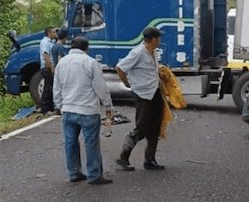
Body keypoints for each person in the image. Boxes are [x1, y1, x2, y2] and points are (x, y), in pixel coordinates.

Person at [53, 36, 114, 185]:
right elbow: (100, 87)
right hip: (87, 109)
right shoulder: (90, 62)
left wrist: (59, 105)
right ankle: (94, 175)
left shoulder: (62, 63)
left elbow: (56, 87)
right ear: (86, 48)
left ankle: (74, 173)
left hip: (68, 108)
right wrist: (108, 106)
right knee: (91, 143)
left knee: (70, 142)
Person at [115, 27, 165, 171]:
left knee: (155, 128)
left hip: (154, 92)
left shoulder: (153, 52)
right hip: (143, 95)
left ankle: (150, 160)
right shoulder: (138, 52)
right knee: (141, 128)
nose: (160, 40)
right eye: (158, 38)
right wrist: (127, 83)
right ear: (153, 39)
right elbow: (120, 67)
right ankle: (123, 157)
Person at [39, 26, 57, 114]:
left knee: (51, 87)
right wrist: (51, 68)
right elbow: (46, 56)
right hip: (47, 67)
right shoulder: (45, 42)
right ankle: (45, 109)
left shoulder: (51, 42)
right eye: (54, 32)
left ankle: (51, 107)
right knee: (48, 88)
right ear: (49, 33)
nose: (55, 34)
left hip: (50, 67)